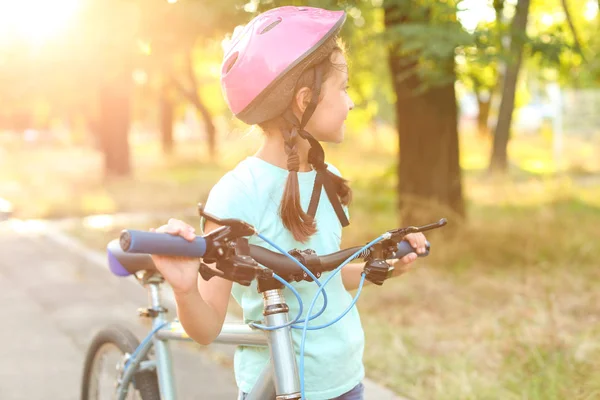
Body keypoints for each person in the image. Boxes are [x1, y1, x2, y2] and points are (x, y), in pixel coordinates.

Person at [150, 6, 427, 400]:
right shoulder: (237, 194)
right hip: (278, 388)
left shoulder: (325, 180)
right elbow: (207, 327)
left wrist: (382, 267)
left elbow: (321, 281)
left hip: (346, 381)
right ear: (304, 99)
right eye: (344, 87)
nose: (351, 103)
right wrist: (184, 290)